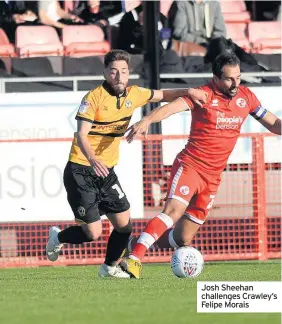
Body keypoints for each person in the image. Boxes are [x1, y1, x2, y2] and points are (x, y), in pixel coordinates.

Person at [45, 49, 207, 278]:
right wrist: (92, 159)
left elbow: (164, 94)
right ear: (105, 73)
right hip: (81, 169)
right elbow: (81, 134)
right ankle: (58, 237)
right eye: (114, 71)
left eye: (124, 71)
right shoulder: (93, 98)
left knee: (124, 225)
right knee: (92, 233)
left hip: (106, 171)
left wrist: (189, 91)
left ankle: (109, 267)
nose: (119, 76)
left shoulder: (135, 94)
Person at [122, 52, 282, 279]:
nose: (235, 83)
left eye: (238, 77)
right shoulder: (203, 95)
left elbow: (274, 124)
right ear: (216, 78)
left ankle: (132, 245)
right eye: (229, 79)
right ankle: (134, 260)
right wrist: (147, 120)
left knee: (183, 238)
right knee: (172, 212)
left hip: (213, 177)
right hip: (190, 166)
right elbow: (169, 107)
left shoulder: (246, 97)